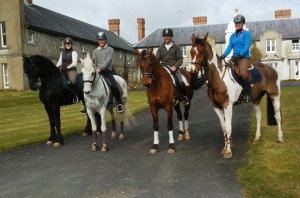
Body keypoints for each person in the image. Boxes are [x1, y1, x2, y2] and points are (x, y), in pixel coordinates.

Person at [220, 14, 252, 102]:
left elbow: (246, 47)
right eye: (236, 23)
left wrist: (239, 55)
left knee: (242, 74)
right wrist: (223, 56)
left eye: (239, 23)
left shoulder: (246, 34)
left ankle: (249, 93)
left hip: (244, 57)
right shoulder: (232, 36)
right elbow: (229, 47)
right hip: (234, 57)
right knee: (227, 71)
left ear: (242, 23)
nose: (237, 24)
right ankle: (235, 93)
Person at [156, 28, 189, 105]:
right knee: (153, 80)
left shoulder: (176, 47)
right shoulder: (161, 48)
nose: (166, 37)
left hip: (174, 67)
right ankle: (152, 98)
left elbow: (180, 59)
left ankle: (184, 97)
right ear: (163, 37)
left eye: (168, 36)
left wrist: (175, 67)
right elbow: (157, 60)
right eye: (165, 36)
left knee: (181, 81)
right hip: (163, 67)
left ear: (171, 37)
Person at [93, 31, 124, 113]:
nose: (101, 41)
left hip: (106, 71)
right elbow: (93, 62)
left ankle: (119, 103)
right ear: (98, 41)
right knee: (88, 83)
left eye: (102, 39)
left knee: (114, 85)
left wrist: (100, 68)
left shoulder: (110, 49)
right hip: (97, 72)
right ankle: (87, 104)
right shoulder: (95, 51)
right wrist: (94, 68)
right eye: (99, 40)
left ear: (105, 40)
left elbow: (108, 61)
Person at [56, 37, 79, 103]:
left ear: (71, 44)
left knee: (72, 81)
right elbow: (59, 62)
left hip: (72, 70)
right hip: (63, 70)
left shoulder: (74, 52)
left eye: (69, 43)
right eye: (66, 44)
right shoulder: (62, 53)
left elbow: (74, 63)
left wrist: (67, 68)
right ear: (64, 45)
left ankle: (76, 96)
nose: (67, 45)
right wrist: (55, 67)